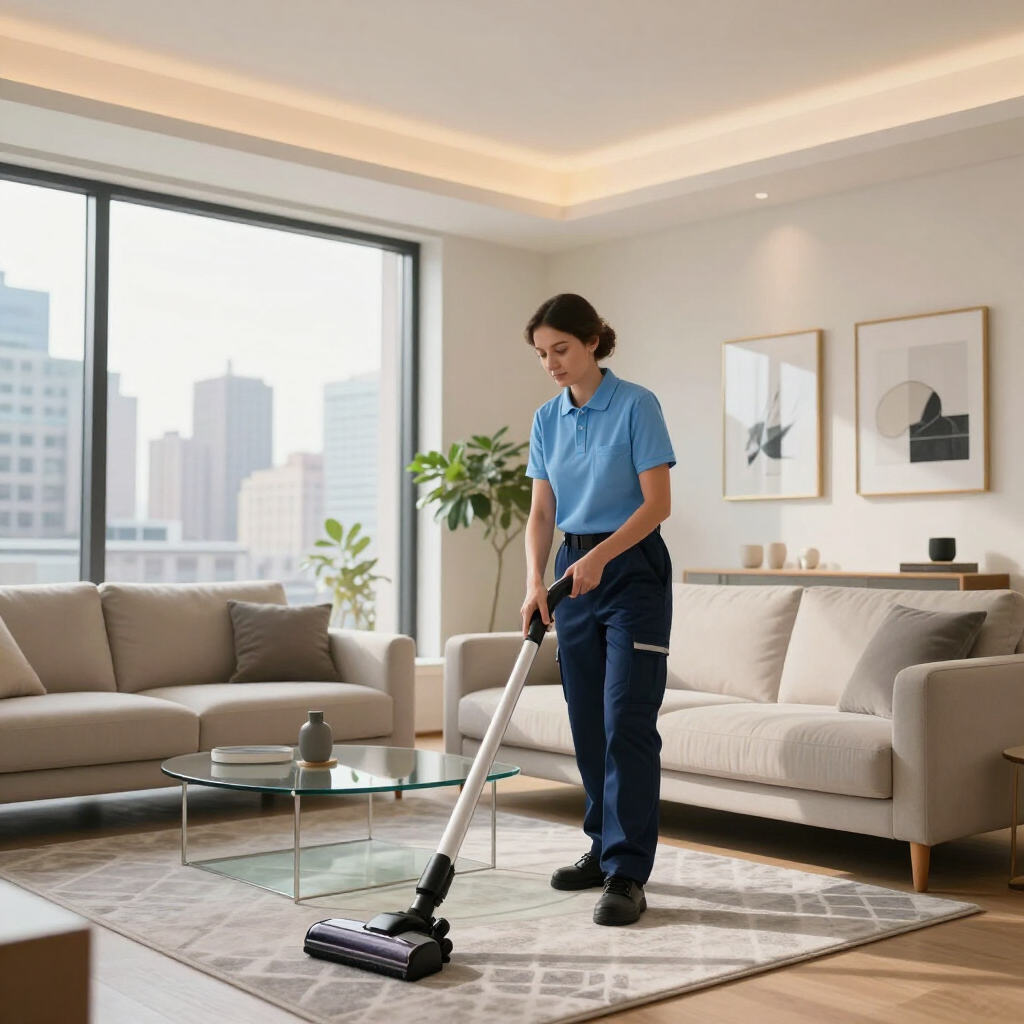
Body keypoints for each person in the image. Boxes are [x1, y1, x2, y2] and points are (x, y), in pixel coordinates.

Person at [520, 293, 675, 927]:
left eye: (560, 349)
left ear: (591, 342)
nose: (551, 363)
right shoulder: (546, 418)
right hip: (571, 576)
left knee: (625, 718)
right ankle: (600, 845)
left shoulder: (637, 405)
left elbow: (657, 505)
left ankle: (629, 870)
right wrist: (536, 579)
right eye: (541, 354)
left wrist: (602, 557)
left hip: (631, 571)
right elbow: (541, 512)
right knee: (585, 717)